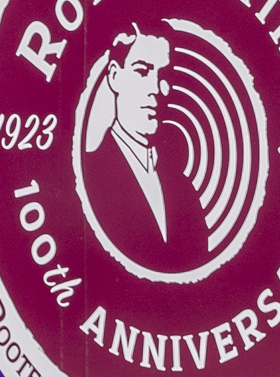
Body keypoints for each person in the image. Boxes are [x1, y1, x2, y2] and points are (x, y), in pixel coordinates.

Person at [77, 25, 193, 267]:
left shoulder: (182, 188)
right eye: (142, 71)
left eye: (164, 76)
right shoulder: (89, 176)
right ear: (114, 76)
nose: (155, 88)